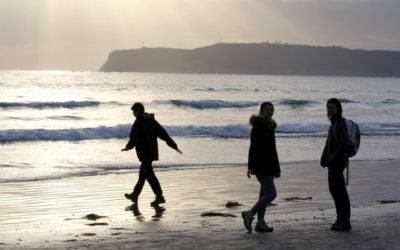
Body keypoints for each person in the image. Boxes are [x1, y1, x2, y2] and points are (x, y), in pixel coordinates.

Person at [122, 103, 182, 206]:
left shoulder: (138, 122)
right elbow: (163, 134)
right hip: (151, 152)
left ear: (137, 111)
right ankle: (135, 195)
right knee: (143, 175)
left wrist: (128, 147)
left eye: (134, 111)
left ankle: (159, 196)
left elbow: (134, 137)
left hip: (144, 153)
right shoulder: (151, 121)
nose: (133, 113)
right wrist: (173, 145)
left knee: (149, 174)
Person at [242, 102, 281, 232]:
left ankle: (260, 222)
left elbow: (273, 150)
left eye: (271, 110)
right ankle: (249, 214)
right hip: (261, 166)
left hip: (270, 166)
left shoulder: (270, 127)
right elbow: (253, 147)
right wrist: (250, 166)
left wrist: (277, 168)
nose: (269, 112)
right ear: (262, 111)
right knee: (271, 194)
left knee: (263, 196)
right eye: (267, 109)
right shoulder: (258, 126)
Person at [320, 98, 352, 231]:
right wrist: (324, 158)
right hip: (332, 163)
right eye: (328, 108)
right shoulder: (333, 123)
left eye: (332, 107)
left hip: (337, 163)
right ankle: (340, 218)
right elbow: (329, 143)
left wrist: (334, 155)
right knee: (334, 191)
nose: (330, 110)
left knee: (340, 192)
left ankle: (344, 221)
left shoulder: (339, 123)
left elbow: (345, 141)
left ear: (338, 109)